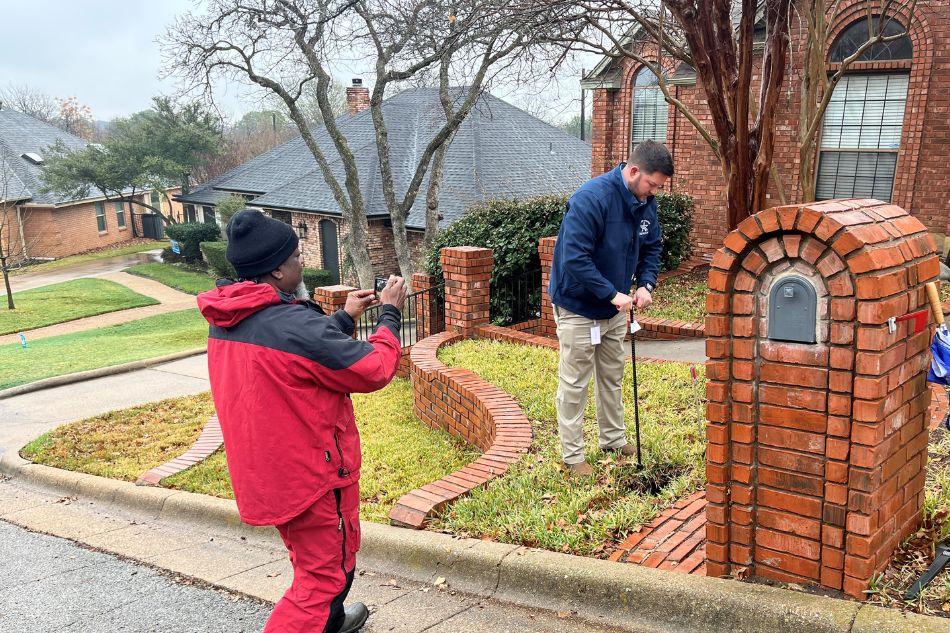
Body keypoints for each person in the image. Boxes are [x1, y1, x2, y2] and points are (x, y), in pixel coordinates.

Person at [197, 210, 408, 633]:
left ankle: (327, 621)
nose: (301, 263)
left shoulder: (231, 316)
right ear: (276, 268)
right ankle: (317, 616)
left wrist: (344, 320)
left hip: (268, 473)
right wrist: (389, 315)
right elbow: (373, 369)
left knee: (311, 560)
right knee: (326, 576)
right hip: (312, 475)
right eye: (296, 256)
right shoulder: (292, 325)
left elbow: (296, 356)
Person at [548, 140, 674, 477]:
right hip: (578, 306)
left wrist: (646, 284)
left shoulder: (646, 202)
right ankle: (573, 457)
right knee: (575, 383)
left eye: (658, 188)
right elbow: (574, 258)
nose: (653, 193)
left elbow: (652, 247)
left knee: (612, 376)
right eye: (651, 184)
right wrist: (611, 293)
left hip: (615, 309)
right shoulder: (592, 199)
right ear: (633, 171)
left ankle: (613, 440)